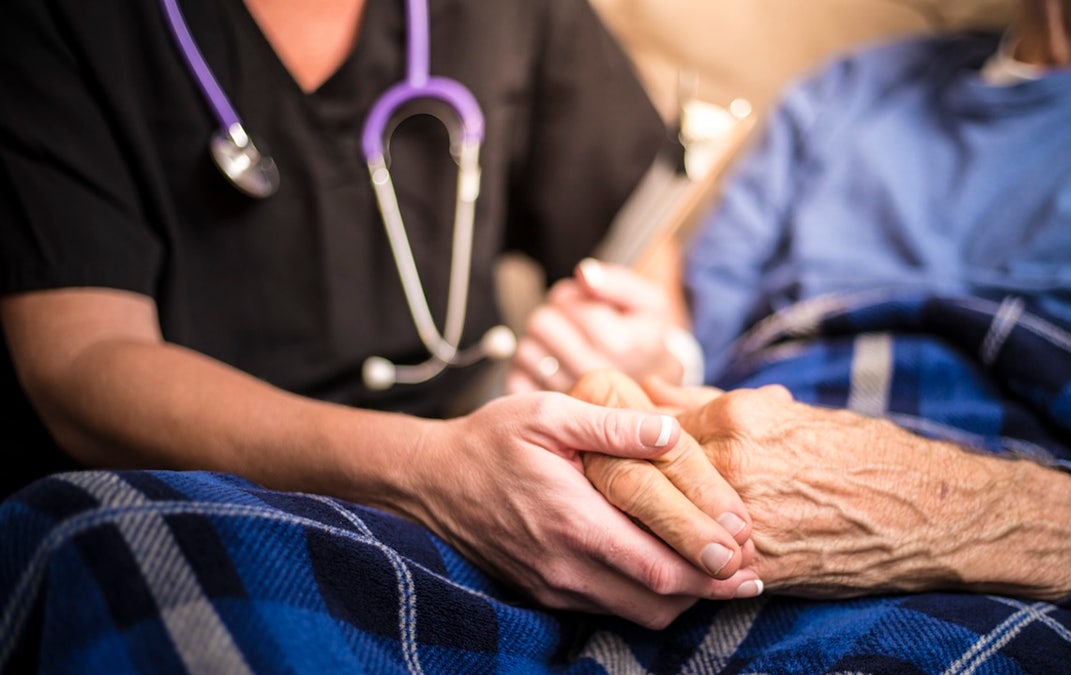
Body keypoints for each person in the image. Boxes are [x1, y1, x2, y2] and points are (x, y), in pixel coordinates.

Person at [0, 0, 766, 635]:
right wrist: (432, 473)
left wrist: (649, 346)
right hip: (197, 501)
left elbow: (639, 244)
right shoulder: (60, 25)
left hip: (496, 489)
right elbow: (80, 360)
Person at [522, 0, 1071, 650]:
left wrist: (953, 513)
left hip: (1068, 491)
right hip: (756, 452)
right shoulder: (845, 90)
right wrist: (652, 358)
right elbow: (703, 339)